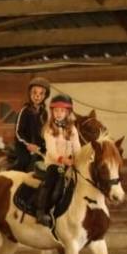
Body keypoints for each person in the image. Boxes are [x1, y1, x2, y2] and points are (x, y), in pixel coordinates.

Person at [33, 93, 80, 227]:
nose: (58, 114)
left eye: (62, 111)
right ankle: (41, 211)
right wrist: (62, 160)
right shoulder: (49, 129)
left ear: (67, 113)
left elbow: (77, 147)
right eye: (56, 111)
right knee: (51, 183)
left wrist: (78, 158)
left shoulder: (72, 129)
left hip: (69, 163)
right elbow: (51, 150)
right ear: (52, 112)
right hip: (54, 163)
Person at [11, 76, 50, 172]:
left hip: (38, 146)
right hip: (24, 146)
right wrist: (28, 144)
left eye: (41, 93)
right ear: (30, 94)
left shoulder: (44, 113)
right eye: (34, 92)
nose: (37, 96)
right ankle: (11, 176)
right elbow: (18, 132)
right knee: (24, 161)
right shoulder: (24, 111)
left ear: (45, 96)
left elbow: (44, 132)